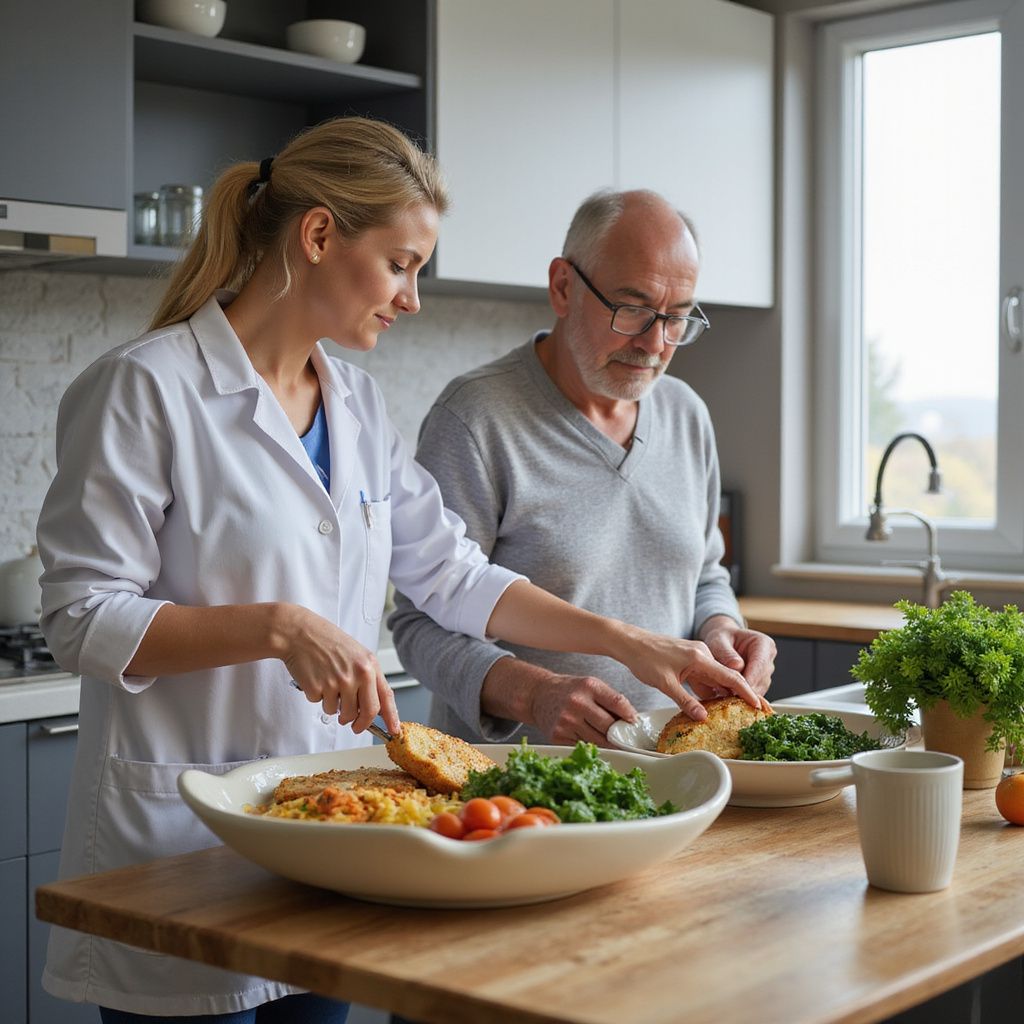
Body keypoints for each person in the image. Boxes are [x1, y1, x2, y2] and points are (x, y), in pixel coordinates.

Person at [35, 125, 762, 1023]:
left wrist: (634, 644)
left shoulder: (356, 404)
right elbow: (79, 617)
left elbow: (454, 575)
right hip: (184, 839)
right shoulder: (144, 389)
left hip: (335, 831)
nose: (413, 299)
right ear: (317, 239)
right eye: (401, 264)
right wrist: (277, 627)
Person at [389, 188, 777, 748]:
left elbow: (704, 574)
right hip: (518, 784)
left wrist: (723, 630)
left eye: (677, 319)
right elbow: (418, 622)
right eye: (633, 309)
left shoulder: (687, 414)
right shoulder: (477, 418)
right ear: (563, 287)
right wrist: (533, 694)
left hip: (672, 767)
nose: (654, 343)